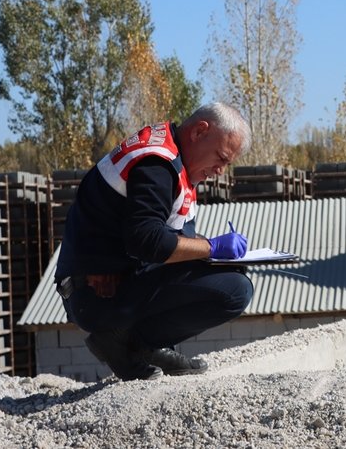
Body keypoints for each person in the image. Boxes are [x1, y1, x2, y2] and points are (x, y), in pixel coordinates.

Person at [54, 102, 256, 381]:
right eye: (221, 157)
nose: (221, 170)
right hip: (97, 294)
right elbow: (146, 241)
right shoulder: (156, 163)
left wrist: (211, 252)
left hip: (112, 286)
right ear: (199, 132)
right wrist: (212, 247)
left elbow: (174, 243)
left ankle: (146, 345)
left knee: (229, 275)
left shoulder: (175, 162)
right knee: (235, 290)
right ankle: (125, 343)